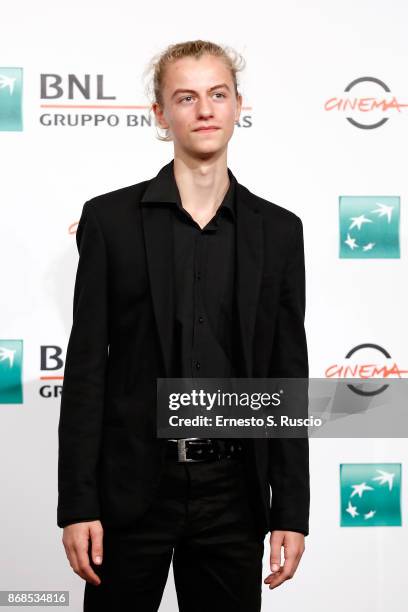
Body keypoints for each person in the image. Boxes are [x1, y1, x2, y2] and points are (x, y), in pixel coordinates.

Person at [57, 39, 310, 612]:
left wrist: (291, 511)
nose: (204, 110)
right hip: (130, 493)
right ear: (160, 114)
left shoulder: (279, 231)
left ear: (238, 104)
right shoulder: (109, 220)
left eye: (218, 95)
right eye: (186, 97)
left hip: (234, 495)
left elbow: (286, 375)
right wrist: (77, 504)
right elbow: (87, 371)